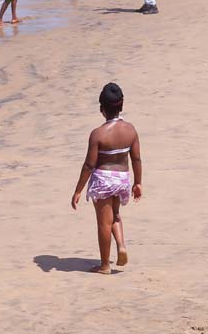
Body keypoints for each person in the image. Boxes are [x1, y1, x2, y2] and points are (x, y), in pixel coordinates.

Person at [70, 83, 142, 275]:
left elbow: (89, 165)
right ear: (122, 105)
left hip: (103, 179)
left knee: (104, 222)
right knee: (116, 215)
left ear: (101, 108)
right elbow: (136, 159)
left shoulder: (98, 134)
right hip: (122, 179)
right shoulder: (131, 130)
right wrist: (138, 183)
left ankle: (104, 265)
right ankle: (121, 246)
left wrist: (78, 190)